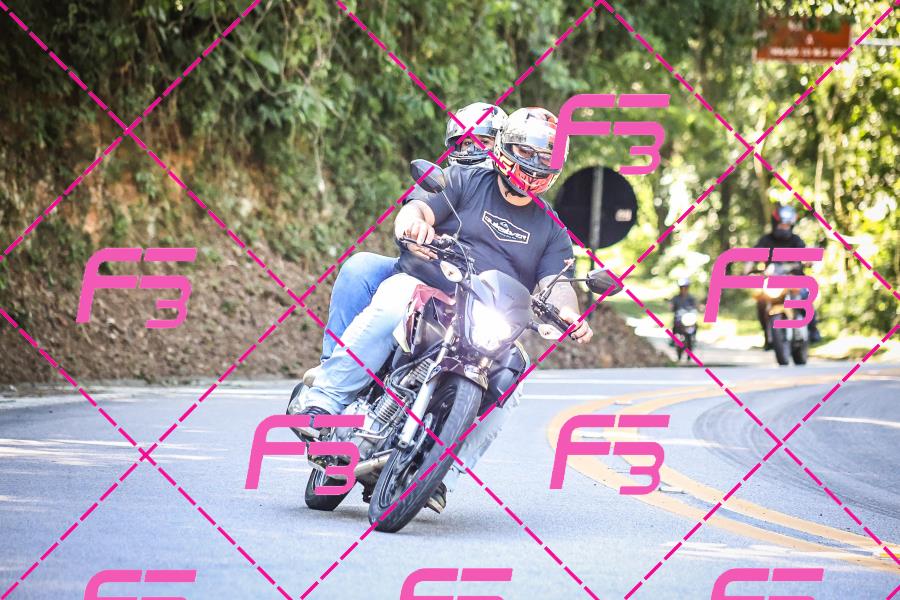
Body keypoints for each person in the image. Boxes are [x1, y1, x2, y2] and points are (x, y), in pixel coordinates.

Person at [294, 107, 590, 511]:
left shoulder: (552, 230)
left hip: (486, 319)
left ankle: (440, 475)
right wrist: (414, 224)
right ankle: (326, 402)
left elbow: (558, 286)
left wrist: (569, 313)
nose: (536, 163)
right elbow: (418, 208)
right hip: (429, 291)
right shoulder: (464, 180)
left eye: (545, 157)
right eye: (528, 151)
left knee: (514, 380)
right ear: (506, 146)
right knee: (397, 295)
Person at [308, 102, 508, 384]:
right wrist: (412, 228)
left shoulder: (515, 199)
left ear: (503, 146)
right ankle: (330, 367)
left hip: (477, 299)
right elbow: (413, 210)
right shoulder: (445, 181)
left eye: (482, 142)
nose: (471, 150)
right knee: (360, 266)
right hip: (417, 275)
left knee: (510, 365)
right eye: (464, 143)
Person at [750, 204, 821, 347]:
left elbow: (806, 255)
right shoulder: (766, 240)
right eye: (782, 224)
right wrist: (748, 269)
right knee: (761, 301)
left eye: (787, 225)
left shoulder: (796, 240)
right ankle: (768, 335)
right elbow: (752, 257)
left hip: (795, 279)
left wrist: (809, 260)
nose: (784, 227)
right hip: (772, 281)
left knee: (806, 297)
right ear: (775, 223)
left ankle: (813, 329)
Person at [669, 277, 698, 343]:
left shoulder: (691, 298)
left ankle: (693, 337)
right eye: (682, 287)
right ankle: (674, 338)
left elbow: (695, 306)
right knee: (675, 323)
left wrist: (697, 309)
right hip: (679, 318)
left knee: (695, 324)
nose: (684, 289)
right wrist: (672, 307)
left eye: (685, 287)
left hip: (688, 317)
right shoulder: (676, 298)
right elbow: (672, 307)